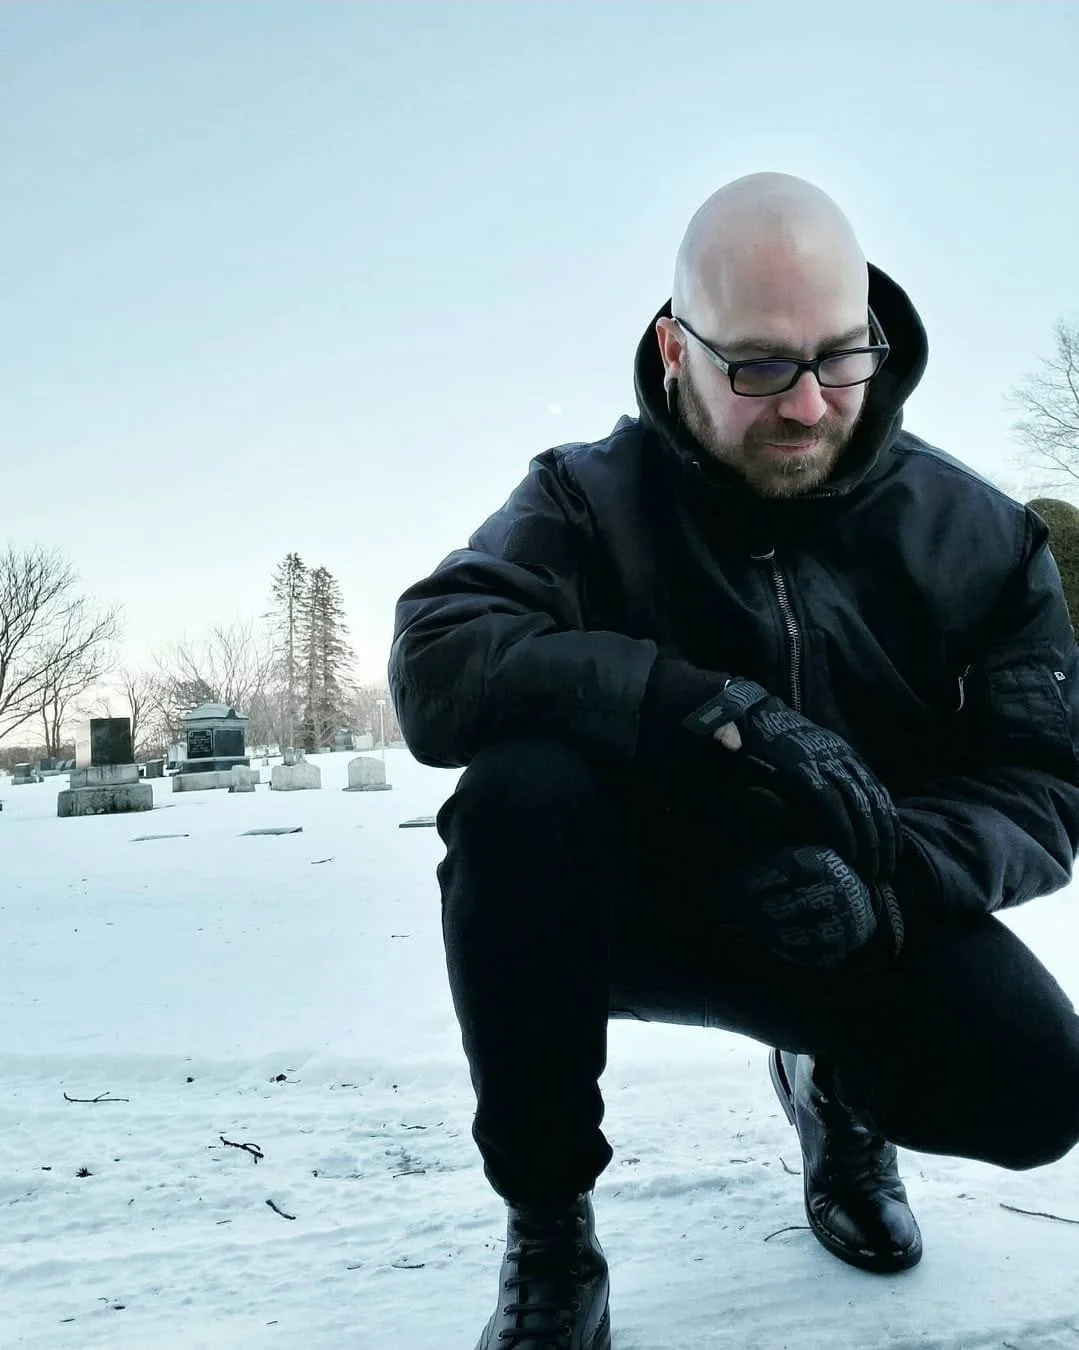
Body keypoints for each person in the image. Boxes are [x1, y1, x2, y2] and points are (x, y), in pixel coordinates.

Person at [388, 172, 1079, 1350]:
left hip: (851, 909)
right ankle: (549, 1227)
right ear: (674, 350)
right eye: (757, 366)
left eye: (838, 357)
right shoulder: (584, 497)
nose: (807, 407)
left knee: (1032, 1087)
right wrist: (697, 705)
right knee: (514, 798)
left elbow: (1044, 780)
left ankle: (833, 1093)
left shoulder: (978, 538)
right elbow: (440, 659)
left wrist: (895, 883)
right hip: (621, 903)